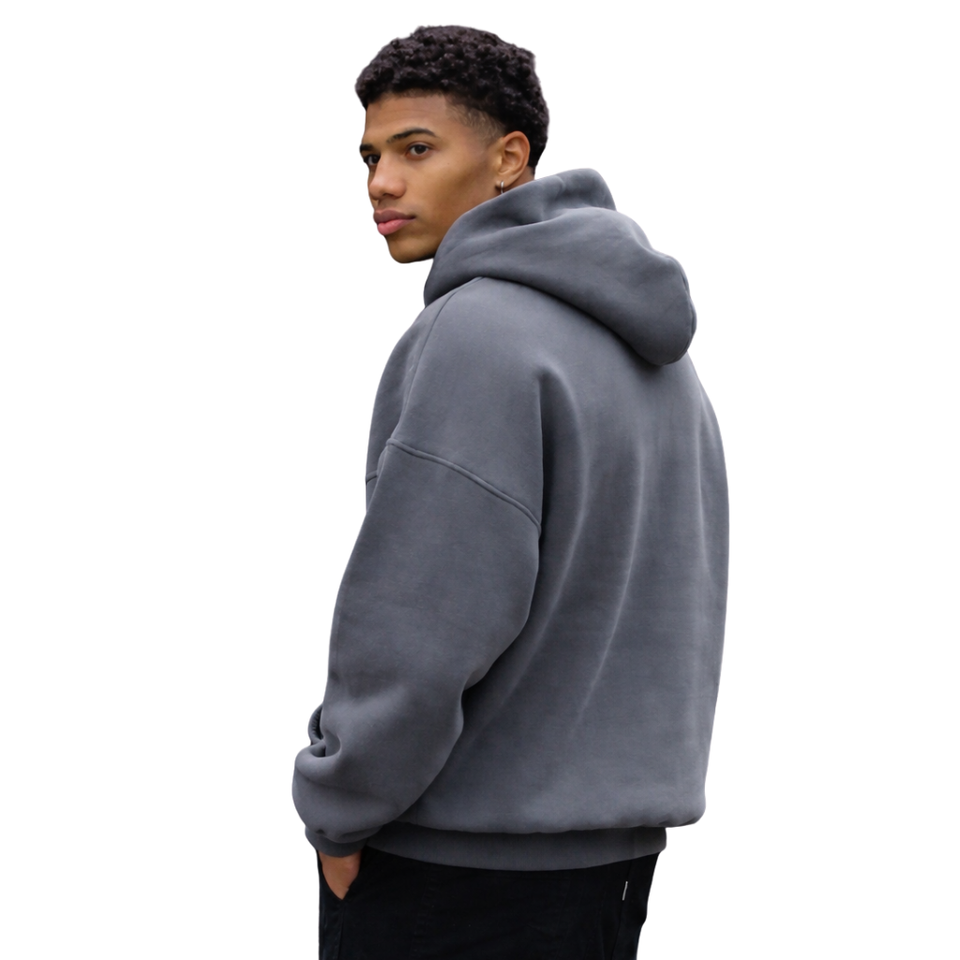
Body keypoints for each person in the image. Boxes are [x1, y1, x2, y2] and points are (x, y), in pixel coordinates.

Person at [292, 25, 728, 959]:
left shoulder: (475, 334)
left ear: (508, 159)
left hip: (457, 876)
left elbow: (419, 622)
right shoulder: (655, 353)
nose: (381, 183)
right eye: (370, 156)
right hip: (608, 867)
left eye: (417, 149)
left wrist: (340, 806)